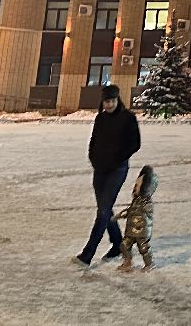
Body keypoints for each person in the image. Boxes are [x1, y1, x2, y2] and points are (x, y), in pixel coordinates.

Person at [72, 83, 141, 267]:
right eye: (106, 102)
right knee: (105, 208)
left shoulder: (128, 118)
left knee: (103, 211)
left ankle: (88, 254)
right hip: (100, 170)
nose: (108, 105)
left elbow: (135, 143)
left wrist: (117, 157)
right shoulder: (100, 119)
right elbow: (93, 141)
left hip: (117, 170)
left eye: (111, 101)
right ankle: (119, 245)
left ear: (118, 100)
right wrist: (93, 157)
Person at [114, 164, 158, 272]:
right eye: (135, 185)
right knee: (124, 245)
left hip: (142, 231)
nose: (135, 188)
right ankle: (127, 261)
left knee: (143, 248)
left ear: (146, 188)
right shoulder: (136, 201)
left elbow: (146, 212)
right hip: (131, 230)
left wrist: (143, 205)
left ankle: (149, 264)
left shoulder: (147, 203)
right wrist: (120, 215)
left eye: (138, 186)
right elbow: (130, 211)